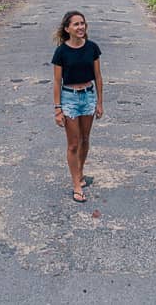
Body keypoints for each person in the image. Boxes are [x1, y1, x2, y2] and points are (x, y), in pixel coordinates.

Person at [51, 10, 104, 203]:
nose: (80, 27)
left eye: (82, 23)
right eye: (76, 24)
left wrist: (99, 102)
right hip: (69, 99)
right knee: (73, 143)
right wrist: (58, 108)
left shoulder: (92, 48)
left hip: (88, 96)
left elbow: (98, 76)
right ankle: (75, 184)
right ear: (67, 29)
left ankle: (80, 172)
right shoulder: (61, 52)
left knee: (85, 138)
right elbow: (57, 82)